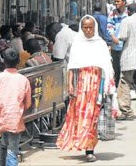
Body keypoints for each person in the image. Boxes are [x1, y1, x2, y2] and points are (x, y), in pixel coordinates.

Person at [56, 16, 114, 163]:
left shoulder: (100, 44)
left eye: (90, 27)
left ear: (94, 28)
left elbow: (106, 66)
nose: (88, 31)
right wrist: (70, 84)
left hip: (96, 86)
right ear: (82, 28)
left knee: (92, 117)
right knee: (81, 115)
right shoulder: (77, 43)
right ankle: (82, 144)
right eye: (85, 28)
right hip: (81, 85)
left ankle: (89, 149)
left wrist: (107, 86)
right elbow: (72, 66)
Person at [0, 48, 31, 166]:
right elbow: (28, 103)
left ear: (3, 61)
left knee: (3, 144)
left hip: (1, 118)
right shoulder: (23, 80)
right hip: (15, 120)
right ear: (18, 62)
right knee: (12, 148)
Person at [107, 0, 129, 87]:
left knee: (125, 67)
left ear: (123, 2)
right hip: (116, 46)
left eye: (118, 1)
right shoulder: (113, 13)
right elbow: (109, 26)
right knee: (116, 67)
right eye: (115, 1)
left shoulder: (128, 14)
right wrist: (113, 37)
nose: (116, 3)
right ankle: (116, 86)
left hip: (126, 46)